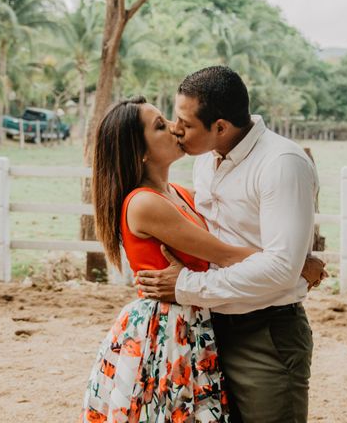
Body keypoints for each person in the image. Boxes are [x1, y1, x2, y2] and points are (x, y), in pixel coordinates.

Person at [136, 66, 320, 423]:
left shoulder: (281, 164)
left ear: (220, 126)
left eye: (185, 123)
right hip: (206, 330)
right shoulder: (204, 160)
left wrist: (187, 286)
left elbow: (280, 268)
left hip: (263, 334)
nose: (176, 129)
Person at [79, 96, 262, 422]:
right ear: (141, 151)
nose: (175, 129)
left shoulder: (179, 193)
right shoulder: (144, 204)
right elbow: (226, 254)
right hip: (168, 329)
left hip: (193, 319)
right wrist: (294, 261)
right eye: (160, 126)